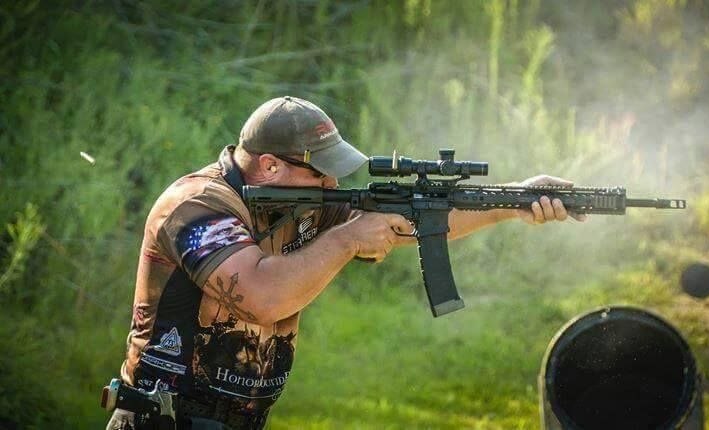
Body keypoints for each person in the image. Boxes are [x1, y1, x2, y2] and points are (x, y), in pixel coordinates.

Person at [106, 96, 584, 430]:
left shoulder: (300, 200)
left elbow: (401, 223)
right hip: (162, 420)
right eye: (322, 173)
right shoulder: (196, 206)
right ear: (271, 166)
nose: (332, 187)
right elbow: (262, 297)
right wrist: (345, 241)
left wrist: (512, 201)